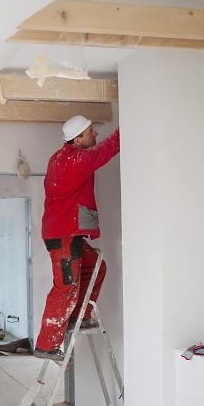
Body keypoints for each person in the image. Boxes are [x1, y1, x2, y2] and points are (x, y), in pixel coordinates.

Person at [34, 115, 120, 364]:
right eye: (91, 132)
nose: (95, 135)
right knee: (65, 288)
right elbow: (109, 148)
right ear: (78, 138)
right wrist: (127, 127)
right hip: (63, 235)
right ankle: (46, 345)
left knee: (96, 266)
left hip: (67, 232)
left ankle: (79, 315)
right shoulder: (76, 160)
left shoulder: (59, 157)